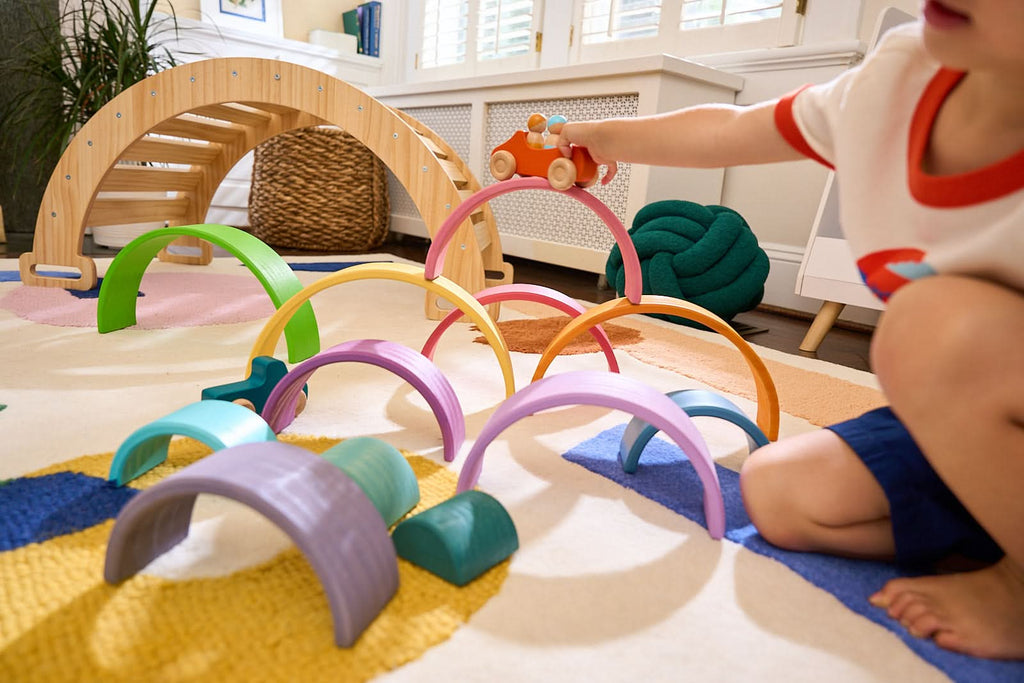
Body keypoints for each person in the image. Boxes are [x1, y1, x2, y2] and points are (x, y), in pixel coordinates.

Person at [557, 1, 1024, 660]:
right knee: (779, 492)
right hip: (971, 423)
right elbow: (733, 127)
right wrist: (607, 137)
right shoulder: (896, 78)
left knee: (927, 330)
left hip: (975, 379)